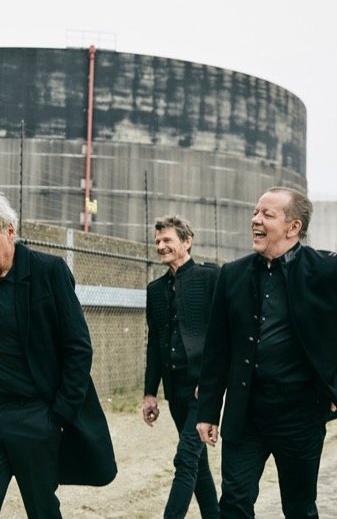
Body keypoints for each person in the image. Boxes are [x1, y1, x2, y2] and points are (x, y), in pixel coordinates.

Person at [196, 186, 337, 518]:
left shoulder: (326, 270)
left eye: (267, 214)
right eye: (255, 212)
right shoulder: (232, 274)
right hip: (245, 411)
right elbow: (217, 347)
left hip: (301, 413)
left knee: (299, 508)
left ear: (293, 227)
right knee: (233, 502)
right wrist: (207, 410)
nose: (255, 220)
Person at [0, 184, 117, 518]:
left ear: (10, 231)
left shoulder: (48, 272)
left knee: (42, 510)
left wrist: (58, 416)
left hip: (33, 418)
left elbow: (78, 347)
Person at [143, 215, 219, 518]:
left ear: (187, 242)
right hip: (175, 389)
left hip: (203, 389)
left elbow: (223, 335)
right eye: (157, 241)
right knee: (198, 463)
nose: (161, 246)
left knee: (186, 458)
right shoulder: (154, 289)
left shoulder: (210, 278)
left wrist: (213, 380)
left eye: (167, 240)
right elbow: (154, 344)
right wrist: (150, 393)